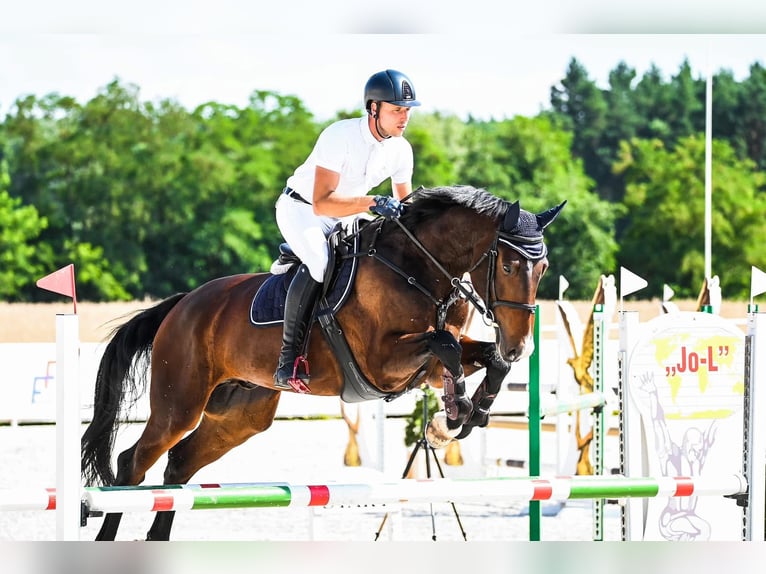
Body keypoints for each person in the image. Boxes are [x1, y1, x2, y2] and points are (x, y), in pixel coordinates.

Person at [273, 69, 421, 389]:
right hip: (302, 209)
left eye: (407, 110)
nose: (404, 117)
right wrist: (372, 203)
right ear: (373, 108)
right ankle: (289, 360)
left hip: (348, 215)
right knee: (321, 262)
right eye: (396, 109)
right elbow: (322, 203)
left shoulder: (401, 150)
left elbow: (404, 206)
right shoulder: (339, 136)